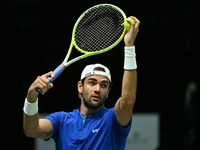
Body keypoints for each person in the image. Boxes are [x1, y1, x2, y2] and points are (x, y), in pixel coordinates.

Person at [23, 16, 140, 150]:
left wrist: (129, 46)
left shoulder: (113, 120)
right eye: (92, 83)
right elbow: (31, 130)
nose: (97, 89)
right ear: (80, 86)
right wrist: (31, 98)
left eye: (104, 85)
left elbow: (127, 101)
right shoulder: (62, 120)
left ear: (108, 92)